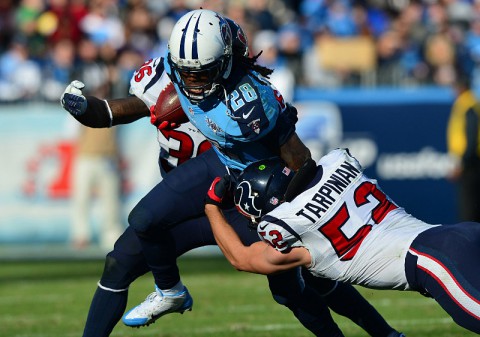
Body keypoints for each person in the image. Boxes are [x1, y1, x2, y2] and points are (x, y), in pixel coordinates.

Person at [61, 10, 403, 337]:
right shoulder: (169, 72)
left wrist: (286, 207)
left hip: (247, 196)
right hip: (200, 184)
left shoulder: (252, 97)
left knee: (301, 283)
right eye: (186, 72)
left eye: (202, 73)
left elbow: (298, 158)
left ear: (224, 61)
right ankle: (170, 290)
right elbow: (111, 111)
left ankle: (383, 333)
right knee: (128, 246)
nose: (192, 82)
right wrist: (83, 106)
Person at [205, 148, 480, 334]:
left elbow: (240, 258)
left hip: (433, 261)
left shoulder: (290, 228)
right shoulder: (337, 162)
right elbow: (303, 159)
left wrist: (211, 208)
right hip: (459, 233)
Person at [446, 73, 480, 222]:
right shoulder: (464, 104)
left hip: (472, 164)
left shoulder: (469, 107)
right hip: (470, 162)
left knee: (469, 209)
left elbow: (471, 139)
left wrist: (463, 164)